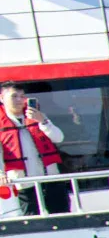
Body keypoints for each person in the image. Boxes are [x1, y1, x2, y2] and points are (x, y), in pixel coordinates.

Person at [0, 82, 69, 214]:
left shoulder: (38, 116)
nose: (20, 100)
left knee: (62, 216)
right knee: (31, 220)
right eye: (14, 96)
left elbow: (58, 138)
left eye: (22, 96)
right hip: (24, 183)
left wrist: (43, 121)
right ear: (2, 98)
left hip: (51, 179)